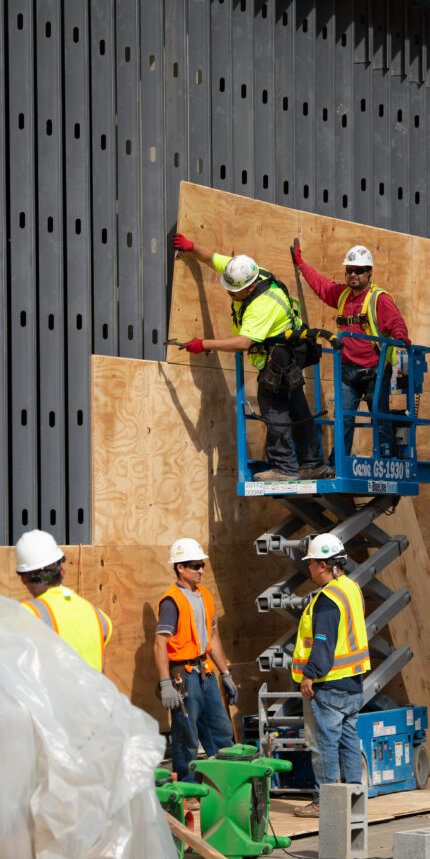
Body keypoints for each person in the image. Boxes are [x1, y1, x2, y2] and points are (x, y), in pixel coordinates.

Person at [174, 233, 327, 482]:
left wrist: (204, 344)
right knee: (296, 403)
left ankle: (285, 468)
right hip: (289, 346)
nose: (230, 295)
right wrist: (192, 247)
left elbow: (244, 342)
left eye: (235, 293)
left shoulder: (262, 304)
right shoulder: (243, 270)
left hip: (283, 350)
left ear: (252, 286)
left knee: (273, 402)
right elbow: (212, 259)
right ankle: (311, 463)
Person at [293, 242, 409, 457]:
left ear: (369, 273)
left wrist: (402, 339)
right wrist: (301, 264)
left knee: (379, 415)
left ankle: (386, 458)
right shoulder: (342, 295)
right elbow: (322, 286)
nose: (353, 274)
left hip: (375, 369)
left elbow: (396, 323)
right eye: (349, 270)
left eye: (358, 271)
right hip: (348, 371)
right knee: (343, 417)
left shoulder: (379, 298)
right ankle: (340, 462)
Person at [291, 533, 370, 818]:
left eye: (311, 563)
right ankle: (353, 796)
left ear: (323, 565)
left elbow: (323, 642)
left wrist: (309, 675)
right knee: (349, 740)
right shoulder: (351, 588)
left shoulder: (326, 600)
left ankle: (323, 800)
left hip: (330, 684)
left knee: (324, 743)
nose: (309, 569)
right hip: (353, 681)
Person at [154, 537, 237, 784]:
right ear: (180, 567)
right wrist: (165, 683)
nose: (200, 570)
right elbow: (160, 644)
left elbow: (213, 637)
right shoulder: (172, 600)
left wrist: (226, 673)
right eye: (194, 566)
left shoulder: (205, 596)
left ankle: (227, 784)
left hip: (206, 672)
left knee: (222, 731)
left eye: (202, 565)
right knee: (187, 736)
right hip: (184, 674)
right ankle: (187, 789)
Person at [15, 529, 112, 672]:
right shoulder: (100, 617)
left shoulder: (27, 614)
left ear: (23, 578)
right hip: (92, 695)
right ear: (62, 570)